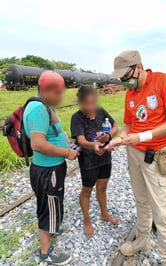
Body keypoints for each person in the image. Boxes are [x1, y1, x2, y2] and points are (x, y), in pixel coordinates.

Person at [107, 50, 166, 266]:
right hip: (134, 153)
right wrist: (119, 139)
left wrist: (141, 136)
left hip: (158, 154)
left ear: (138, 66)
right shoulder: (130, 94)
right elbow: (129, 125)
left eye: (125, 76)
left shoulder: (164, 81)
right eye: (120, 78)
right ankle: (142, 240)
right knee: (141, 201)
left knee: (160, 209)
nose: (124, 81)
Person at [23, 71, 79, 265]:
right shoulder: (38, 109)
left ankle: (52, 227)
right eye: (58, 93)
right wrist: (66, 153)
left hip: (51, 168)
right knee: (48, 205)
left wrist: (66, 142)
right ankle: (45, 251)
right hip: (48, 170)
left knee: (51, 203)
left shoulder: (42, 106)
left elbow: (49, 134)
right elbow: (37, 144)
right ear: (46, 90)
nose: (60, 97)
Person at [70, 86, 119, 237]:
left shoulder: (101, 112)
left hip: (105, 158)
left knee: (102, 188)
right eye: (87, 103)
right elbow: (81, 140)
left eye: (93, 103)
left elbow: (116, 126)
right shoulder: (77, 118)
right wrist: (94, 145)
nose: (90, 107)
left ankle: (104, 213)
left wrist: (109, 136)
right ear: (80, 103)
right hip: (89, 162)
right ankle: (86, 220)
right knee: (87, 191)